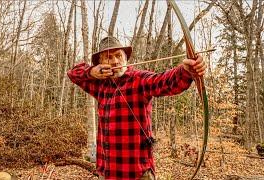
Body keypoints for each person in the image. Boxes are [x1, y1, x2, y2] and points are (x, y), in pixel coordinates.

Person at [67, 36, 206, 180]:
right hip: (107, 172)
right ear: (100, 63)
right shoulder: (100, 85)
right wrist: (91, 72)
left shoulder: (139, 79)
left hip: (137, 173)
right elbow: (73, 73)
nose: (115, 61)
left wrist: (187, 71)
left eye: (118, 55)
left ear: (125, 58)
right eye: (108, 58)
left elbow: (165, 81)